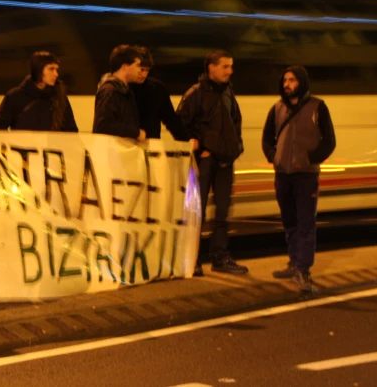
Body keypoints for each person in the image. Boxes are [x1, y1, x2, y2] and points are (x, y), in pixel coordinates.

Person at [261, 66, 336, 292]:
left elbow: (329, 141)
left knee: (305, 223)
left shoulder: (318, 107)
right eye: (285, 80)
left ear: (301, 82)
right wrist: (275, 158)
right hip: (283, 174)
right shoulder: (276, 108)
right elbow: (266, 139)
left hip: (306, 175)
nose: (287, 84)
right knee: (289, 222)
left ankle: (303, 270)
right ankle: (293, 263)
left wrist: (310, 158)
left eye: (292, 80)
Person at [176, 50, 248, 276]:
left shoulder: (228, 93)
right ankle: (192, 259)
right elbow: (179, 124)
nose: (230, 71)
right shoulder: (195, 94)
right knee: (197, 213)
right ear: (211, 68)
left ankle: (220, 256)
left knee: (222, 213)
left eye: (231, 66)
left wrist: (235, 149)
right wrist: (199, 147)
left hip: (225, 162)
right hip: (205, 163)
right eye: (225, 66)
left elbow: (235, 122)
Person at [0, 51, 78, 132]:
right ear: (38, 70)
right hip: (20, 147)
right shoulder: (15, 96)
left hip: (52, 148)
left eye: (56, 69)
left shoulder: (59, 97)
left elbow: (71, 132)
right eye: (51, 69)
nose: (56, 74)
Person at [130, 46, 188, 141]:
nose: (144, 74)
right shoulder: (123, 88)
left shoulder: (157, 88)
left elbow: (171, 119)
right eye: (141, 69)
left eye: (147, 70)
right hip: (126, 146)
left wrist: (186, 142)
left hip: (151, 145)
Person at [93, 44, 145, 141]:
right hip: (110, 153)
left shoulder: (125, 91)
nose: (140, 71)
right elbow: (103, 126)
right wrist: (135, 132)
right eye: (137, 65)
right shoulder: (109, 91)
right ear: (125, 67)